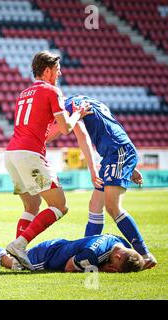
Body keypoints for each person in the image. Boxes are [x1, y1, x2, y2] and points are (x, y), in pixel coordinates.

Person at [4, 51, 92, 269]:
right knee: (60, 205)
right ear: (46, 71)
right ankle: (19, 245)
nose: (60, 73)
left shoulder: (24, 93)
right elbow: (66, 128)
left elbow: (39, 129)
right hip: (30, 155)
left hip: (11, 154)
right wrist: (77, 114)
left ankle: (16, 257)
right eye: (57, 69)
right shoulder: (52, 91)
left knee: (32, 205)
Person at [57, 95, 157, 269]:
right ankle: (87, 247)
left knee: (112, 206)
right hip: (114, 153)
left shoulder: (69, 105)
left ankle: (145, 254)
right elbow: (108, 127)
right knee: (95, 205)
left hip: (116, 152)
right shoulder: (87, 100)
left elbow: (63, 130)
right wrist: (128, 166)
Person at [0, 234, 145, 273]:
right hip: (47, 256)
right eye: (116, 267)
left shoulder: (118, 241)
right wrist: (102, 269)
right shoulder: (94, 255)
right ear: (118, 257)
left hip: (56, 246)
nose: (113, 268)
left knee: (13, 259)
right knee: (16, 265)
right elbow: (70, 266)